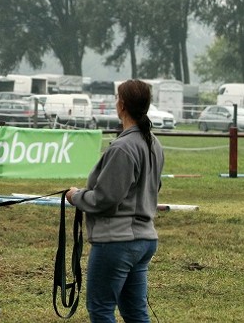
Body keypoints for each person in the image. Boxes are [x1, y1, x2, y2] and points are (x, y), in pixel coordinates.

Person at [65, 79, 164, 323]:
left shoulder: (123, 147)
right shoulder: (153, 143)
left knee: (101, 309)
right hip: (144, 239)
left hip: (117, 242)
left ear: (121, 105)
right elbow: (154, 186)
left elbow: (106, 199)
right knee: (135, 312)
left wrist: (75, 196)